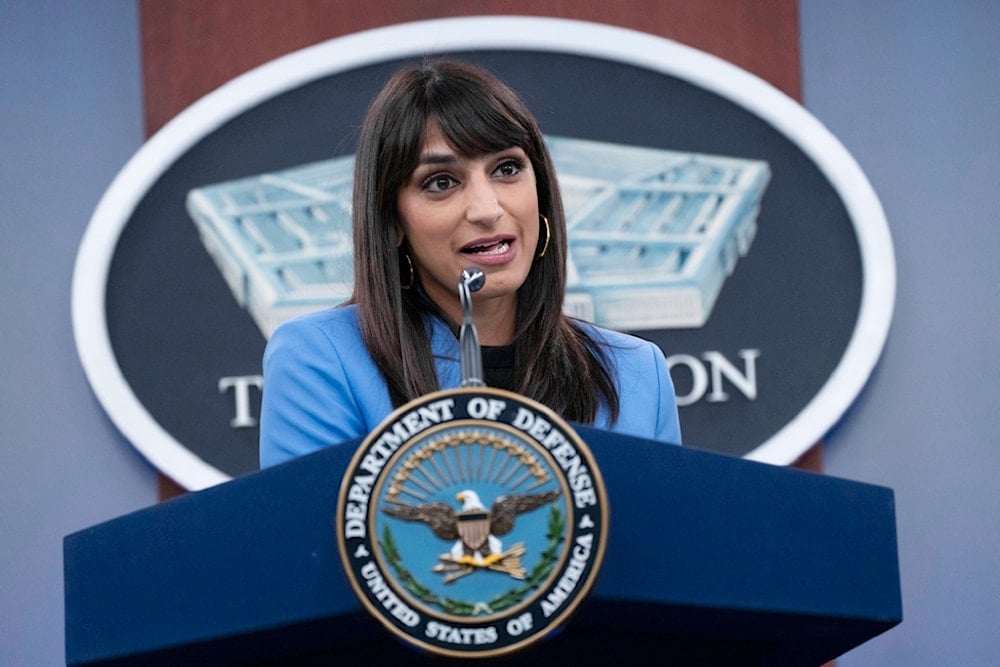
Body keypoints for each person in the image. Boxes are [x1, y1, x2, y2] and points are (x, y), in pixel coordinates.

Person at [259, 60, 680, 467]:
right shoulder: (321, 359)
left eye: (507, 168)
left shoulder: (637, 372)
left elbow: (664, 539)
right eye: (441, 182)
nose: (486, 208)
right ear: (392, 221)